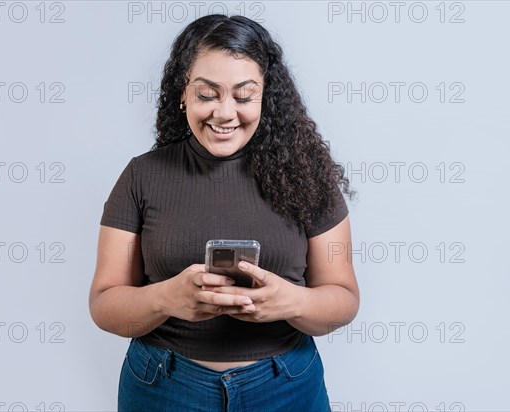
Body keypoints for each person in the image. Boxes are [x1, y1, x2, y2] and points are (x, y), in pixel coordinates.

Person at [89, 14, 360, 412]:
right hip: (163, 385)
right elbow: (104, 304)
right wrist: (166, 298)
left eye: (244, 96)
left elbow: (344, 298)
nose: (224, 113)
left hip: (285, 387)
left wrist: (290, 302)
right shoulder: (141, 175)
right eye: (208, 94)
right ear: (183, 93)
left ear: (266, 97)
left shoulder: (308, 175)